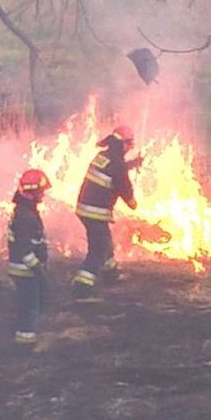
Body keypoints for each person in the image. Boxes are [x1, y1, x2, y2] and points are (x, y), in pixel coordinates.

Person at [72, 125, 140, 296]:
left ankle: (111, 274)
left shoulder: (103, 156)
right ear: (123, 144)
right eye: (129, 144)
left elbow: (113, 169)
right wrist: (133, 203)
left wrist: (132, 164)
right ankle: (82, 284)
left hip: (84, 208)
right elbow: (124, 187)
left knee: (105, 241)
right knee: (98, 250)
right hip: (96, 212)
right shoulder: (117, 164)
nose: (130, 148)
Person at [8, 169, 51, 343]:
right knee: (29, 309)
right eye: (41, 191)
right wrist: (38, 270)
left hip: (24, 270)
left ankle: (25, 338)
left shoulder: (25, 211)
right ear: (32, 193)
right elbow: (24, 250)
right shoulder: (26, 216)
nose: (43, 194)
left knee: (29, 307)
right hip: (25, 272)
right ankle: (25, 346)